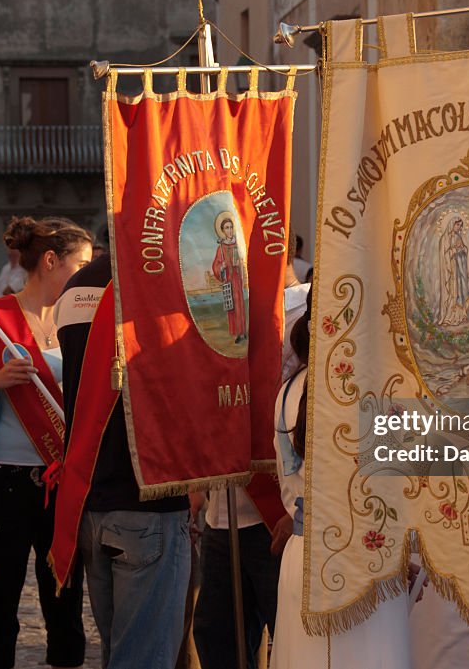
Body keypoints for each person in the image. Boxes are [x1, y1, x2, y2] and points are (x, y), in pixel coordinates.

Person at [0, 216, 91, 669]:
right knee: (0, 601)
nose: (87, 274)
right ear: (50, 261)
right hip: (3, 480)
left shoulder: (80, 318)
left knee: (65, 596)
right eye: (81, 264)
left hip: (61, 478)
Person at [52, 247, 191, 669]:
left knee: (118, 651)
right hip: (148, 497)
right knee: (144, 657)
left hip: (91, 498)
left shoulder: (75, 287)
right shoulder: (158, 281)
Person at [270, 288, 413, 668]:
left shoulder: (288, 391)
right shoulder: (380, 394)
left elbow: (290, 487)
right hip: (365, 560)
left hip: (305, 556)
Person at [192, 236, 308, 669]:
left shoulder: (306, 307)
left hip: (276, 512)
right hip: (223, 510)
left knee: (289, 638)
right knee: (219, 636)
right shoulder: (219, 313)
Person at [212, 212, 248, 344]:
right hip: (229, 279)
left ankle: (243, 331)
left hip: (238, 279)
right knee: (232, 306)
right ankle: (237, 332)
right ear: (222, 231)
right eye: (226, 228)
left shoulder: (239, 244)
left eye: (231, 227)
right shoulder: (221, 247)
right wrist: (222, 266)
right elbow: (215, 265)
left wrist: (241, 263)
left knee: (241, 305)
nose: (229, 230)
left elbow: (245, 260)